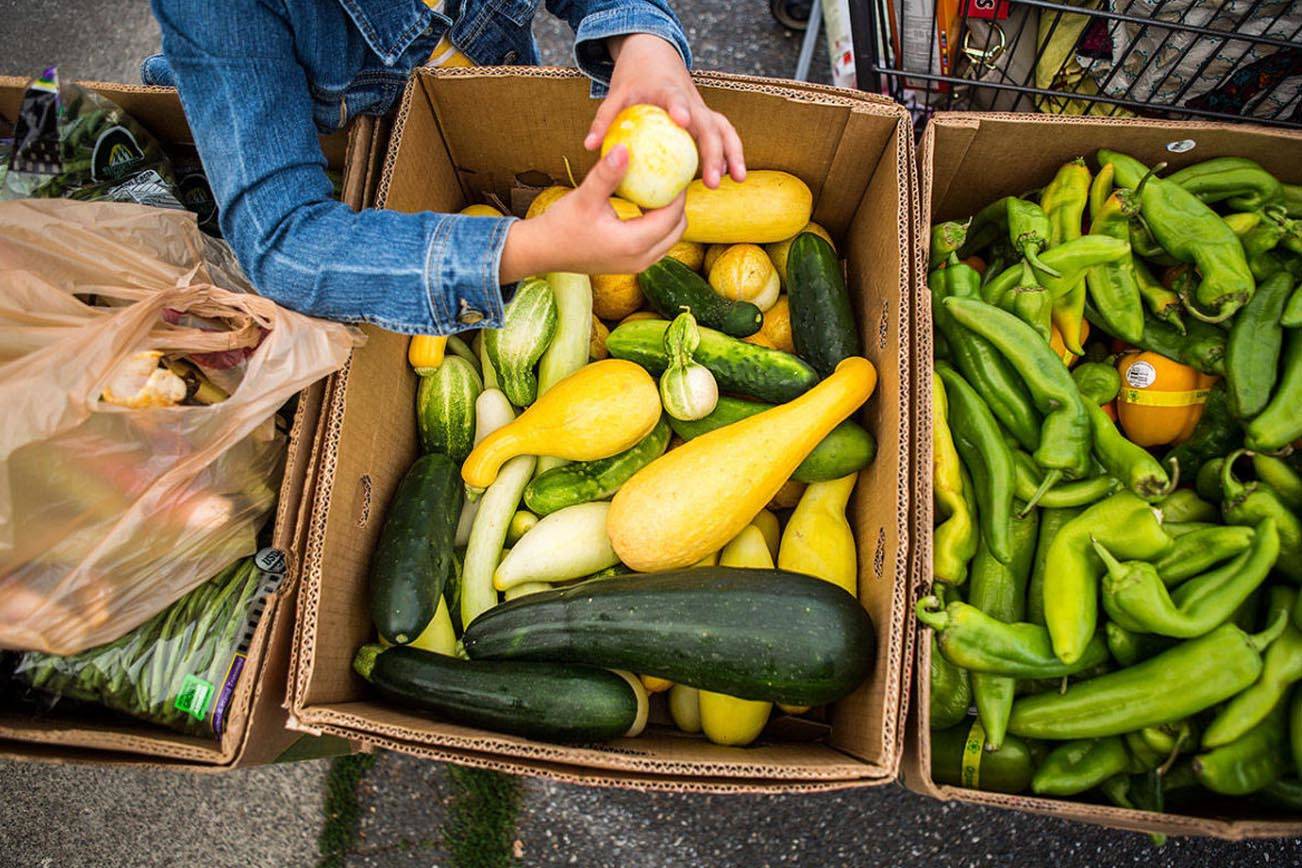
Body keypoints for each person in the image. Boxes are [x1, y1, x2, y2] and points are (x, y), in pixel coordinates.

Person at [144, 0, 747, 334]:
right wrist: (530, 249)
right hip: (375, 215)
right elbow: (281, 239)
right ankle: (41, 109)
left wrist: (645, 40)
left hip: (473, 116)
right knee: (45, 109)